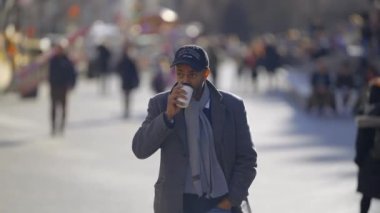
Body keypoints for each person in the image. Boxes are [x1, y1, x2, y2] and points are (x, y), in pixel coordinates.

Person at [132, 45, 257, 213]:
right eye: (180, 73)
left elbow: (247, 159)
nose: (184, 80)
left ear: (206, 74)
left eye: (192, 74)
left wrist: (230, 201)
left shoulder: (231, 106)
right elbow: (140, 149)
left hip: (220, 204)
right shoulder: (161, 104)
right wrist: (167, 117)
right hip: (177, 204)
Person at [355, 79, 380, 213]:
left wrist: (359, 158)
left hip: (370, 159)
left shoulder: (367, 111)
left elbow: (362, 140)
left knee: (367, 194)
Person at [48, 44, 77, 136]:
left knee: (63, 108)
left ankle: (62, 126)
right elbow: (50, 73)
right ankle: (53, 127)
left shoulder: (67, 61)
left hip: (63, 87)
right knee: (54, 108)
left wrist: (71, 84)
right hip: (55, 87)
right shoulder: (53, 60)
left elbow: (72, 73)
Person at [116, 45, 140, 118]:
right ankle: (126, 110)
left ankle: (127, 110)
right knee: (127, 96)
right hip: (126, 80)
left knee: (127, 96)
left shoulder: (127, 60)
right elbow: (118, 69)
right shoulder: (126, 60)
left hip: (128, 81)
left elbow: (135, 71)